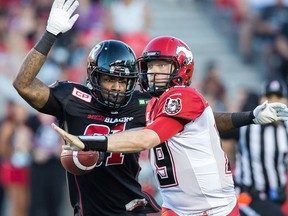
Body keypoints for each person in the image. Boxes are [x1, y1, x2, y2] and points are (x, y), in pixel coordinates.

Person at [12, 0, 288, 215]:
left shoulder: (143, 103)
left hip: (136, 207)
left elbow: (203, 120)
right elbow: (23, 85)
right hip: (90, 208)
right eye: (109, 80)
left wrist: (247, 116)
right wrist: (50, 35)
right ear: (94, 77)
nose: (117, 88)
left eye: (123, 81)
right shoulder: (72, 97)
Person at [233, 79, 288, 216]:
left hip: (276, 198)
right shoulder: (247, 125)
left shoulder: (286, 128)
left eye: (278, 97)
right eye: (269, 97)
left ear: (285, 100)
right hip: (248, 197)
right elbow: (217, 130)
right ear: (262, 100)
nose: (274, 102)